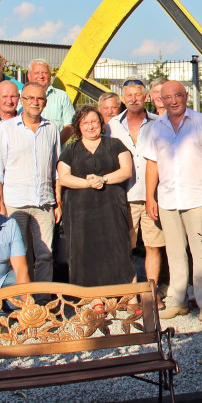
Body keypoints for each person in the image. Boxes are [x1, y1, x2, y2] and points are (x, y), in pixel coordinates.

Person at [143, 80, 202, 322]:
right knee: (175, 254)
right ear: (161, 100)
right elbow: (152, 163)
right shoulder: (156, 127)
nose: (173, 101)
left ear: (186, 96)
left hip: (198, 199)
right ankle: (178, 302)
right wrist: (150, 196)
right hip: (168, 200)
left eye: (178, 95)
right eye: (168, 97)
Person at [0, 82, 62, 282]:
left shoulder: (51, 129)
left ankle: (43, 299)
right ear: (22, 101)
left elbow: (56, 170)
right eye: (30, 98)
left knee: (45, 254)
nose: (35, 103)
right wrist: (0, 204)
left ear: (45, 103)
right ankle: (24, 301)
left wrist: (58, 202)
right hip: (14, 202)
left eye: (39, 99)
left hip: (44, 202)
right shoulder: (6, 129)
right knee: (20, 254)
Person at [57, 106, 135, 287]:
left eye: (94, 121)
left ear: (101, 122)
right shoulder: (70, 150)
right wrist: (89, 183)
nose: (90, 126)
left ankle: (128, 294)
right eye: (85, 123)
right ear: (78, 126)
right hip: (80, 211)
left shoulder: (115, 144)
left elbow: (126, 171)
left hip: (111, 207)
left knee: (118, 249)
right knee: (86, 252)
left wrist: (103, 179)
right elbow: (64, 178)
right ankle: (97, 297)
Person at [110, 78, 166, 302]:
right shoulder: (111, 125)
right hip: (124, 195)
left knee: (153, 246)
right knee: (126, 247)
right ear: (123, 98)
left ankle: (151, 295)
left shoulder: (158, 123)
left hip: (152, 195)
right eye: (129, 95)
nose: (133, 98)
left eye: (138, 94)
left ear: (146, 97)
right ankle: (132, 294)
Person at [27, 59, 75, 144]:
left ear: (49, 76)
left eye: (44, 73)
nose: (41, 76)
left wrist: (55, 145)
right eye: (36, 73)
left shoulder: (61, 96)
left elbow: (70, 125)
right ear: (28, 76)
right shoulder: (21, 96)